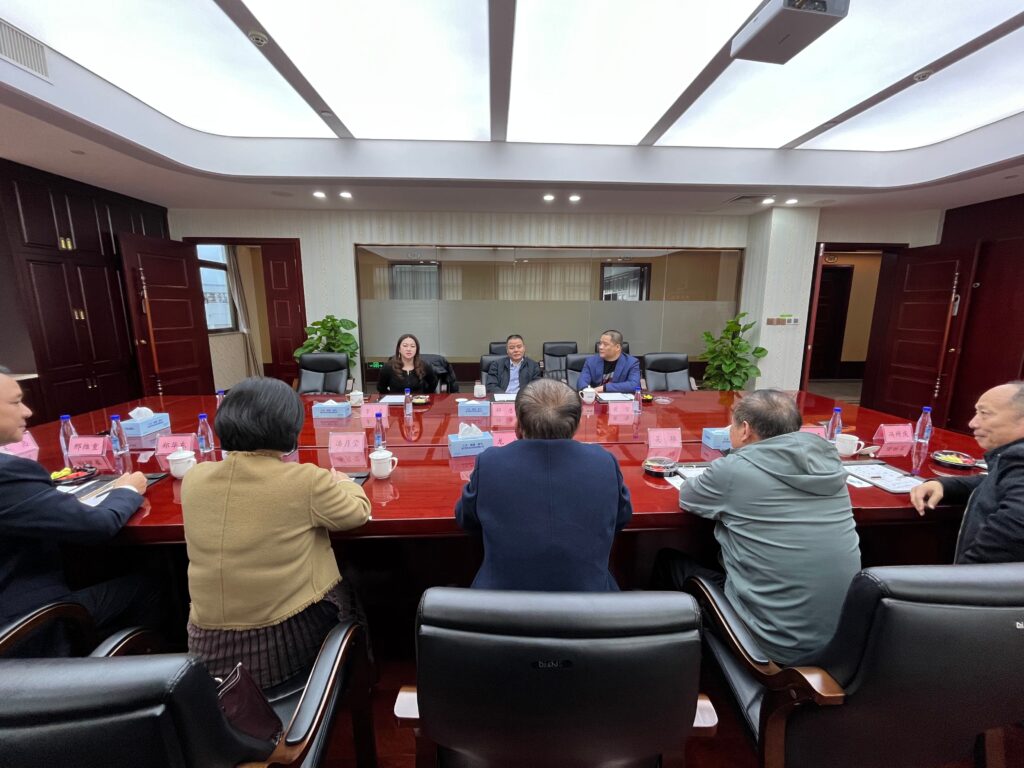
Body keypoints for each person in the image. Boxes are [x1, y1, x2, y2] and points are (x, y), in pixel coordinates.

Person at [182, 377, 371, 688]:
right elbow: (357, 513)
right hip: (281, 644)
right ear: (289, 429)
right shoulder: (305, 480)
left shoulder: (194, 477)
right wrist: (346, 483)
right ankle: (361, 684)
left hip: (206, 649)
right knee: (351, 589)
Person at [651, 389, 860, 665]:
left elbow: (688, 496)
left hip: (772, 645)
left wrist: (731, 456)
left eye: (732, 425)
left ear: (745, 430)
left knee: (668, 561)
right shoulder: (829, 463)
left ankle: (673, 663)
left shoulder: (735, 470)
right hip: (842, 643)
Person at [0, 367, 157, 655]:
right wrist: (127, 490)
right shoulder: (8, 474)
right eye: (16, 402)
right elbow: (99, 524)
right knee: (152, 585)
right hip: (24, 627)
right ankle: (141, 677)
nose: (27, 411)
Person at [455, 378, 632, 591]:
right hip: (590, 602)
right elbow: (621, 518)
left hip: (500, 603)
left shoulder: (490, 463)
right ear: (576, 427)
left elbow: (466, 519)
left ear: (518, 427)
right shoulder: (604, 463)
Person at [910, 381, 1024, 563]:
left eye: (984, 414)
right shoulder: (1012, 460)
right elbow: (995, 481)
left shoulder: (1019, 458)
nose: (972, 423)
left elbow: (1012, 535)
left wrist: (963, 574)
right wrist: (943, 485)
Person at [577, 329, 641, 393]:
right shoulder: (591, 361)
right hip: (595, 397)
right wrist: (587, 392)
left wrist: (604, 388)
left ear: (617, 347)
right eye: (600, 343)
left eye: (605, 344)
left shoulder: (631, 363)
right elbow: (581, 382)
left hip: (618, 398)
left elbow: (634, 385)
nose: (600, 347)